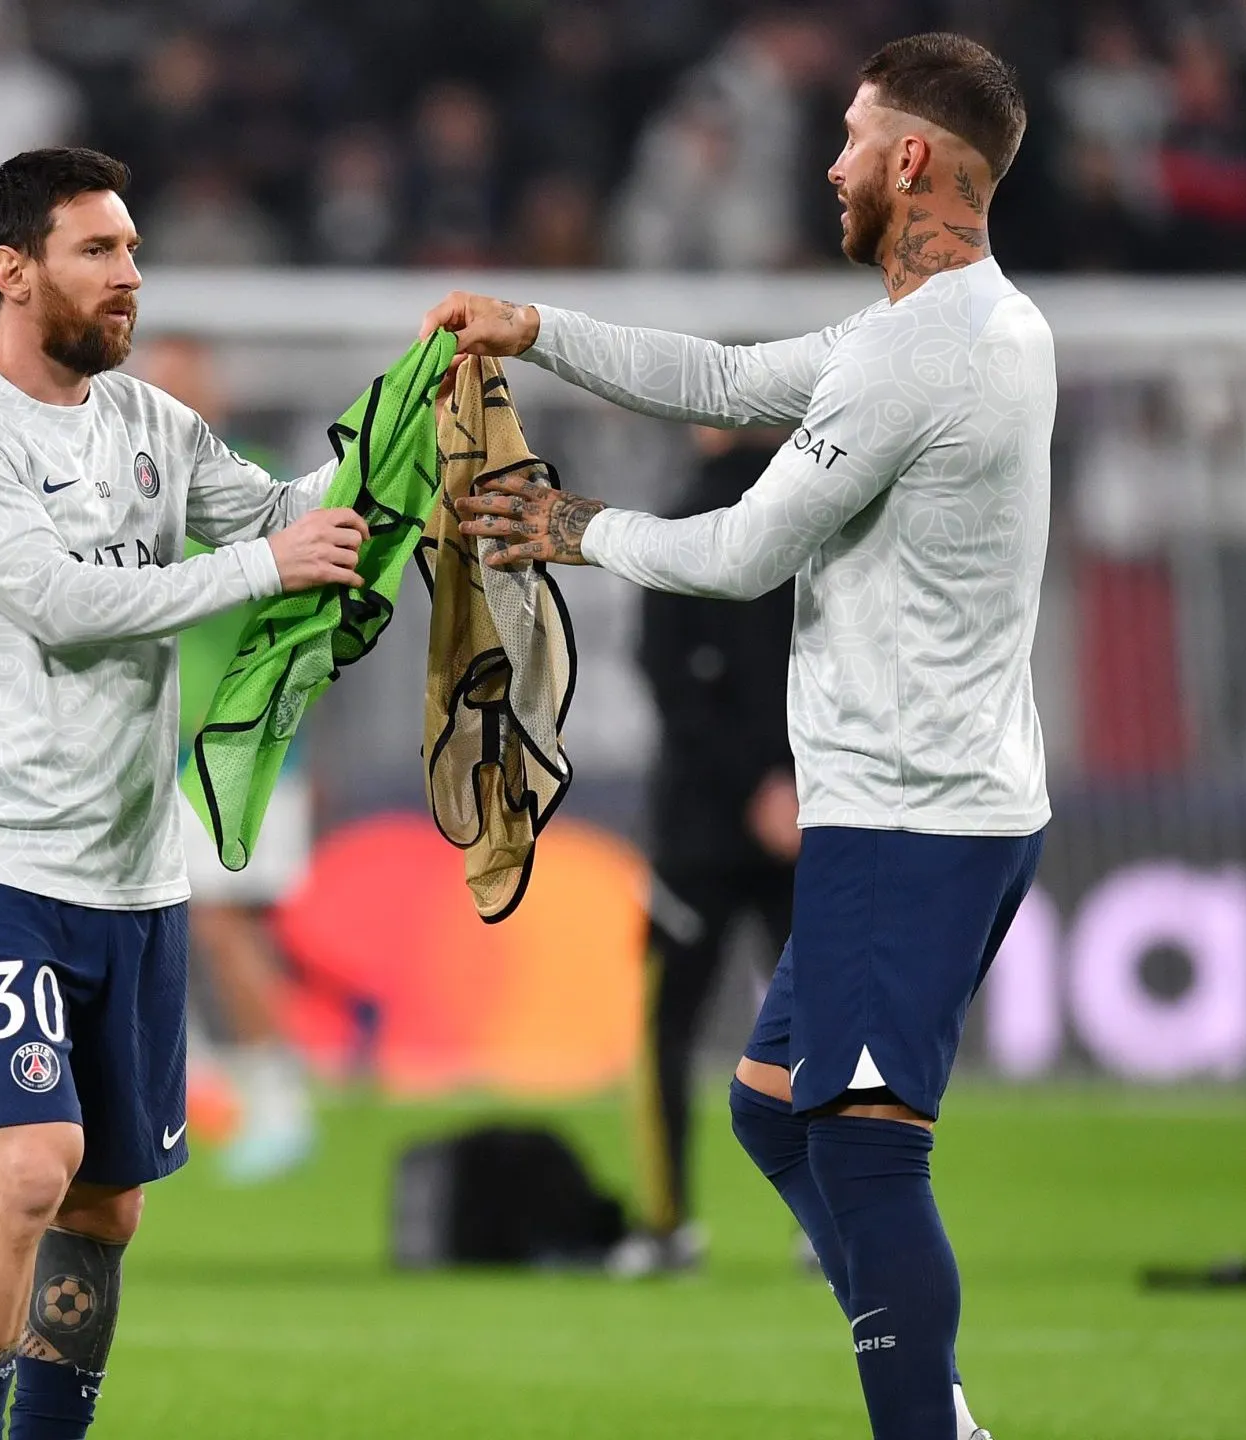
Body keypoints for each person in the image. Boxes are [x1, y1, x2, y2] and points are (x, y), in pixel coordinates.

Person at [426, 33, 1049, 1440]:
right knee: (775, 1112)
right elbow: (721, 378)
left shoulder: (930, 353)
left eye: (847, 139)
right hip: (917, 803)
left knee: (868, 1154)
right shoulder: (945, 328)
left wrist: (571, 528)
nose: (827, 167)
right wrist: (542, 329)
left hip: (915, 811)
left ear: (910, 161)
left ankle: (923, 1423)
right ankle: (935, 1407)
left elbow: (747, 550)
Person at [0, 146, 368, 1440]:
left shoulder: (152, 424)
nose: (129, 278)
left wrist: (413, 432)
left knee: (107, 1207)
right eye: (98, 252)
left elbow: (285, 508)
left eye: (134, 252)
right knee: (31, 1166)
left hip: (136, 870)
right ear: (13, 269)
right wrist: (267, 568)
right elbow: (66, 606)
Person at [611, 424, 799, 1279]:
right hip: (811, 817)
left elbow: (668, 682)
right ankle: (835, 1224)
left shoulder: (680, 526)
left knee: (665, 1031)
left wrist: (749, 785)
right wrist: (791, 780)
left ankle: (667, 1225)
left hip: (699, 832)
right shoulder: (817, 524)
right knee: (829, 1028)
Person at [135, 333, 319, 1185]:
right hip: (178, 748)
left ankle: (271, 1092)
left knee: (215, 918)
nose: (166, 399)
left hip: (248, 743)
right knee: (194, 918)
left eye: (180, 383)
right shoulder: (141, 484)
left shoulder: (254, 485)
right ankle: (222, 1076)